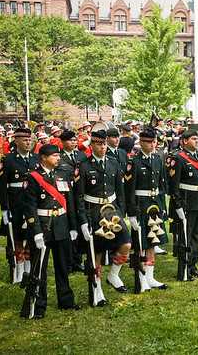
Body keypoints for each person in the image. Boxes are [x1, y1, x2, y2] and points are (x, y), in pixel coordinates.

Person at [22, 144, 81, 318]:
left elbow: (69, 202)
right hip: (43, 225)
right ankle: (39, 305)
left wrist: (72, 226)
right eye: (54, 156)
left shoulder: (62, 174)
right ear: (43, 158)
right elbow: (30, 207)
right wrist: (36, 231)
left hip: (61, 224)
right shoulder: (33, 177)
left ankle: (66, 300)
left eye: (58, 155)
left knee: (63, 266)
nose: (58, 158)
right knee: (40, 268)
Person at [76, 130, 130, 306]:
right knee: (96, 254)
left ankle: (113, 275)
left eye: (105, 144)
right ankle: (96, 288)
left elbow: (120, 192)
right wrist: (83, 221)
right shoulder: (84, 166)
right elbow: (79, 197)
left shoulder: (114, 163)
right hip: (94, 212)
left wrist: (121, 212)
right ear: (92, 146)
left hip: (112, 211)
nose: (103, 147)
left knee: (126, 244)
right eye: (99, 144)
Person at [125, 127, 168, 292]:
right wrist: (132, 213)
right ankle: (141, 277)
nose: (151, 145)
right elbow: (130, 190)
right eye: (147, 142)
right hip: (141, 204)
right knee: (141, 243)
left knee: (153, 241)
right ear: (141, 142)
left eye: (153, 142)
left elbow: (162, 186)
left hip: (155, 204)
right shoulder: (134, 162)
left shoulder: (158, 159)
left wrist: (162, 207)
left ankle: (150, 276)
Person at [0, 127, 38, 283]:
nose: (28, 142)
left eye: (29, 140)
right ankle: (18, 269)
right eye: (24, 140)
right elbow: (2, 187)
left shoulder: (35, 158)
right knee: (17, 237)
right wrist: (4, 209)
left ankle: (28, 268)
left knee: (31, 235)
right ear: (16, 140)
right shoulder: (7, 160)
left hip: (31, 204)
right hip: (16, 204)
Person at [168, 129, 198, 278]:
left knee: (197, 236)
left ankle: (193, 265)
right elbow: (174, 185)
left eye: (197, 139)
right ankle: (183, 268)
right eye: (193, 139)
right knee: (186, 236)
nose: (197, 141)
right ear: (184, 141)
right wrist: (177, 205)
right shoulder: (178, 158)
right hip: (187, 202)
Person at [57, 129, 88, 274]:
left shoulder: (81, 155)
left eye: (75, 140)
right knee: (69, 227)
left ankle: (78, 259)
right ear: (62, 142)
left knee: (80, 227)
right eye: (70, 140)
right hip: (66, 195)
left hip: (80, 194)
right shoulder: (59, 157)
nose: (74, 142)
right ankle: (68, 261)